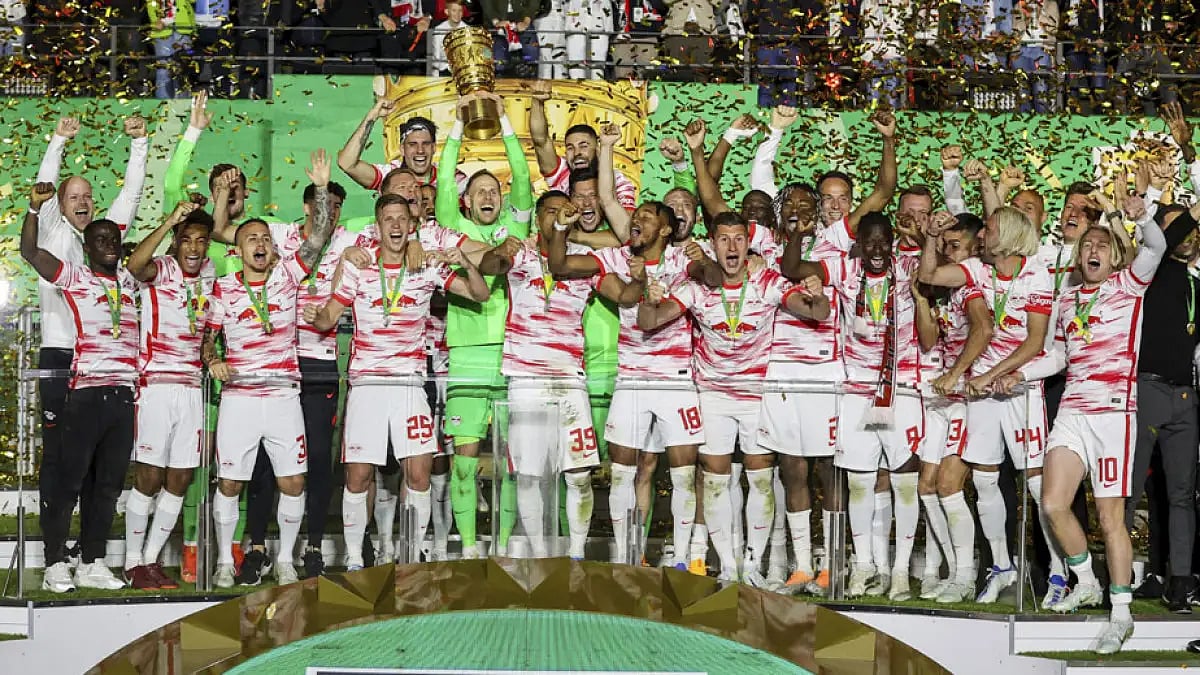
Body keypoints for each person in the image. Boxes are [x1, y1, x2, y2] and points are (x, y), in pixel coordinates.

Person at [638, 211, 829, 582]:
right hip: (712, 395)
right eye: (724, 239)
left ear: (748, 244)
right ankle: (727, 564)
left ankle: (753, 565)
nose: (732, 247)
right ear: (712, 244)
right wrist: (650, 299)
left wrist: (818, 296)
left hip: (758, 396)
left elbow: (817, 313)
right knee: (714, 479)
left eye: (739, 239)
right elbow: (648, 322)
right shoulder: (696, 289)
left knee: (760, 479)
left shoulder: (767, 282)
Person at [1013, 191, 1165, 654]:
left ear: (1113, 254)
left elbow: (1155, 248)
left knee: (1109, 518)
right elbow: (1057, 355)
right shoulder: (1068, 299)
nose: (1093, 251)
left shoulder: (1128, 285)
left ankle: (1121, 615)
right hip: (1073, 412)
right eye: (1086, 247)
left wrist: (1145, 217)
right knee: (1053, 502)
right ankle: (1084, 579)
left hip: (1114, 413)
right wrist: (1017, 373)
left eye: (1101, 245)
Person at [305, 193, 489, 570]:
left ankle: (411, 556)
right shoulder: (359, 267)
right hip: (367, 387)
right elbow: (329, 318)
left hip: (408, 387)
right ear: (378, 225)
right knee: (357, 476)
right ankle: (355, 560)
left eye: (401, 219)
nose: (394, 225)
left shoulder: (427, 268)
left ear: (411, 226)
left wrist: (465, 261)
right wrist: (316, 316)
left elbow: (480, 293)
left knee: (419, 473)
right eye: (387, 219)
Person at [201, 150, 336, 588]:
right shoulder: (222, 286)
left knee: (293, 481)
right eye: (251, 239)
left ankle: (285, 560)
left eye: (265, 239)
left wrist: (319, 190)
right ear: (237, 249)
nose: (259, 244)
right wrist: (213, 360)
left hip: (283, 396)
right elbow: (207, 339)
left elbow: (316, 240)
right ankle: (224, 560)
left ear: (274, 249)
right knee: (231, 485)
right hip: (239, 398)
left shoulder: (287, 278)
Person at [917, 205, 1064, 605]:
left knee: (1036, 485)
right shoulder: (978, 270)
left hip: (1020, 390)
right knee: (984, 480)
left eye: (991, 229)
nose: (982, 235)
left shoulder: (1036, 272)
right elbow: (928, 275)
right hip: (983, 392)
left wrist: (989, 375)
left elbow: (1034, 342)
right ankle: (1001, 566)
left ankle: (1058, 570)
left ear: (1013, 235)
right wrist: (931, 237)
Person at [32, 114, 148, 571]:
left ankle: (87, 550)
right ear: (61, 206)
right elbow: (43, 189)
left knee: (99, 464)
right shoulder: (53, 232)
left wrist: (139, 145)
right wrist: (58, 140)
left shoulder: (104, 237)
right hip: (62, 357)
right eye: (73, 196)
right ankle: (53, 551)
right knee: (59, 458)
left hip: (107, 368)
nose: (82, 201)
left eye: (87, 196)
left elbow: (132, 196)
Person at [477, 195, 619, 558]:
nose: (556, 217)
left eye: (563, 213)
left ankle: (575, 553)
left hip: (570, 378)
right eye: (550, 212)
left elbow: (618, 278)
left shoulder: (584, 260)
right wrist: (498, 249)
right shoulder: (520, 253)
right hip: (524, 379)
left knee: (578, 474)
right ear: (538, 217)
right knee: (529, 474)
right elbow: (492, 266)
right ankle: (540, 553)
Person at [437, 91, 534, 558]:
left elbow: (522, 180)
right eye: (479, 193)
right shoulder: (453, 232)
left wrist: (506, 126)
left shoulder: (514, 234)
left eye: (494, 192)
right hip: (467, 359)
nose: (489, 197)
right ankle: (472, 549)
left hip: (512, 358)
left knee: (513, 465)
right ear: (466, 203)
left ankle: (502, 545)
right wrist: (458, 126)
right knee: (464, 464)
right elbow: (440, 183)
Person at [121, 200, 215, 590]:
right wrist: (168, 222)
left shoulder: (210, 275)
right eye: (186, 240)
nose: (194, 248)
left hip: (191, 388)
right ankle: (130, 563)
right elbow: (132, 266)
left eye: (201, 241)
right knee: (149, 475)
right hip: (156, 386)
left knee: (179, 478)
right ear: (176, 243)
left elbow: (208, 328)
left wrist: (210, 352)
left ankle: (152, 559)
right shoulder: (161, 268)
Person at [912, 211, 993, 602]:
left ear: (976, 248)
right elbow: (928, 341)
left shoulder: (973, 283)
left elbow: (984, 330)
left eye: (955, 246)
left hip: (968, 400)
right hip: (942, 399)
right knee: (926, 487)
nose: (948, 252)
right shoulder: (946, 287)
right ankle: (952, 567)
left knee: (947, 485)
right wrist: (919, 301)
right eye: (946, 245)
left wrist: (958, 374)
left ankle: (965, 574)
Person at [529, 81, 639, 213]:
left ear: (598, 150)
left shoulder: (618, 182)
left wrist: (575, 235)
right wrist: (537, 102)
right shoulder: (561, 173)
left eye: (584, 146)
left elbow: (626, 227)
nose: (577, 153)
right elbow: (540, 141)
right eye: (570, 147)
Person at [338, 99, 466, 193]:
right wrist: (372, 116)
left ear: (434, 148)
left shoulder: (452, 177)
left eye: (426, 144)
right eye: (412, 144)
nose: (420, 150)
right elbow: (346, 163)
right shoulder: (390, 175)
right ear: (402, 149)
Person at [147, 0, 196, 99]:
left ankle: (183, 105)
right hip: (162, 33)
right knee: (163, 69)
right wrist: (155, 20)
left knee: (182, 68)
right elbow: (150, 3)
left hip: (183, 29)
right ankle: (163, 103)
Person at [428, 0, 466, 77]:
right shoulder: (438, 30)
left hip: (464, 72)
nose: (457, 14)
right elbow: (435, 59)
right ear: (446, 12)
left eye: (460, 11)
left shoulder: (468, 30)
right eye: (454, 10)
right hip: (443, 72)